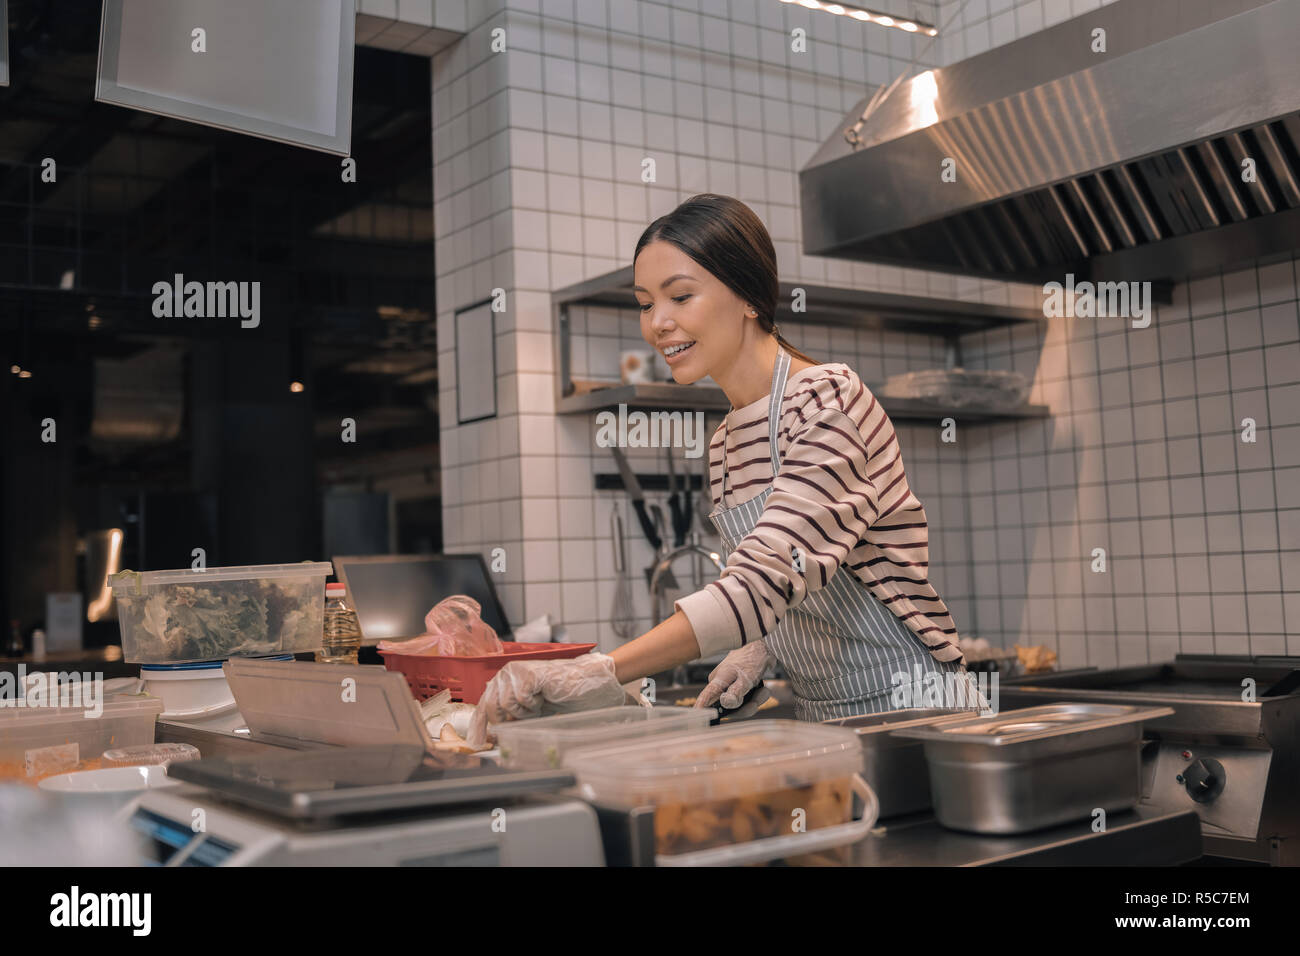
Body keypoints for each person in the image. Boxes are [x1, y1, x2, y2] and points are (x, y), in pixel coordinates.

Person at [468, 194, 982, 747]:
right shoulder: (727, 442)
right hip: (827, 724)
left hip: (919, 718)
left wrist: (603, 668)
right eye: (645, 303)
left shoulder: (828, 402)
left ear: (748, 298)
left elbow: (762, 582)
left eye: (681, 296)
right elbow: (784, 577)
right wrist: (758, 646)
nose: (658, 324)